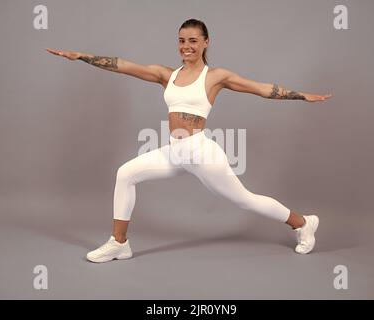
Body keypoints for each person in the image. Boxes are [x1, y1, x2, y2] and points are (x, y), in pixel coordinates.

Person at [46, 18, 332, 263]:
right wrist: (80, 55)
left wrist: (300, 95)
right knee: (125, 174)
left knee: (245, 200)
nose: (186, 46)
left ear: (206, 42)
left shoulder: (215, 76)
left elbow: (260, 88)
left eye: (193, 40)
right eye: (182, 40)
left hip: (201, 153)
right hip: (175, 151)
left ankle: (303, 223)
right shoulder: (166, 75)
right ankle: (119, 243)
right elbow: (122, 65)